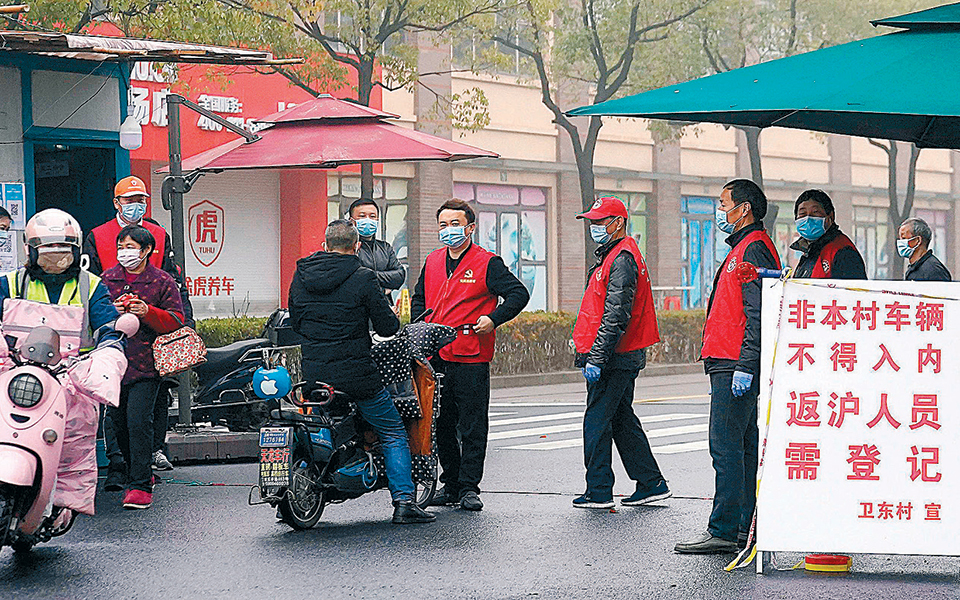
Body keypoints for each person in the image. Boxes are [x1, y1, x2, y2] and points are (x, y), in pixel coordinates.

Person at [288, 219, 434, 525]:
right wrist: (390, 316)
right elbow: (387, 327)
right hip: (357, 373)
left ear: (324, 244)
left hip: (314, 372)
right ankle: (404, 502)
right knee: (393, 431)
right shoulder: (363, 276)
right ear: (357, 247)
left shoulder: (301, 275)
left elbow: (296, 323)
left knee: (318, 423)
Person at [0, 209, 126, 526]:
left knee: (79, 431)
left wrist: (110, 347)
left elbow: (108, 325)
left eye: (64, 250)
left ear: (76, 250)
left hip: (70, 376)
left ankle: (65, 500)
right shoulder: (10, 282)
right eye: (48, 250)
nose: (56, 257)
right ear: (31, 250)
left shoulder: (92, 286)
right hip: (14, 371)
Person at [676, 180, 781, 555]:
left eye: (724, 204)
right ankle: (742, 527)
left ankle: (724, 529)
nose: (720, 211)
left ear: (744, 209)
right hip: (729, 359)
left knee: (725, 446)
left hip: (735, 361)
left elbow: (758, 311)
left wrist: (746, 364)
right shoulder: (743, 246)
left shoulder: (754, 248)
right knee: (739, 447)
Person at [411, 199, 530, 511]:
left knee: (473, 425)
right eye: (443, 225)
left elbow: (519, 294)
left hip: (471, 355)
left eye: (455, 224)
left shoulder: (488, 262)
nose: (449, 230)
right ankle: (450, 483)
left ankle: (468, 487)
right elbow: (419, 298)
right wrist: (419, 327)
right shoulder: (433, 260)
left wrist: (494, 318)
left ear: (470, 228)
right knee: (440, 423)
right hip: (436, 355)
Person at [83, 176, 187, 483]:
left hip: (151, 336)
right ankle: (118, 461)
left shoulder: (158, 234)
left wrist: (183, 322)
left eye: (140, 199)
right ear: (116, 203)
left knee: (148, 406)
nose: (135, 205)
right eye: (129, 200)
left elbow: (173, 281)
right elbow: (88, 285)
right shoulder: (98, 236)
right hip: (113, 333)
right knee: (114, 404)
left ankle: (146, 463)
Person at [572, 197, 670, 509]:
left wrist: (597, 358)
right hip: (618, 355)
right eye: (593, 222)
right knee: (622, 420)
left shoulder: (622, 258)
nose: (595, 227)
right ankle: (651, 483)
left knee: (597, 421)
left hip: (613, 357)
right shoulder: (616, 254)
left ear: (619, 223)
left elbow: (615, 313)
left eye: (601, 222)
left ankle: (599, 490)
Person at [101, 225, 184, 510]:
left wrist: (147, 312)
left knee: (139, 421)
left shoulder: (162, 281)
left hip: (147, 364)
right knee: (118, 422)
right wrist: (116, 310)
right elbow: (94, 315)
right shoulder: (107, 278)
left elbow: (176, 320)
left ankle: (139, 484)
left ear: (147, 250)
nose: (126, 252)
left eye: (131, 247)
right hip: (112, 362)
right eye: (121, 247)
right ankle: (134, 471)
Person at [790, 189, 866, 279]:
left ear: (830, 217)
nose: (808, 219)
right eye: (803, 214)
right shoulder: (810, 252)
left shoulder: (843, 252)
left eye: (815, 212)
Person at [348, 198, 406, 295]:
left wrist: (368, 275)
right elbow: (352, 279)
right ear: (351, 221)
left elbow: (399, 276)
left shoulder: (385, 248)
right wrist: (383, 289)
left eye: (372, 216)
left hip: (385, 307)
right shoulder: (347, 248)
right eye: (362, 216)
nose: (368, 220)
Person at [900, 217, 952, 281]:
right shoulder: (914, 268)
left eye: (904, 238)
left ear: (918, 240)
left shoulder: (933, 270)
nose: (900, 243)